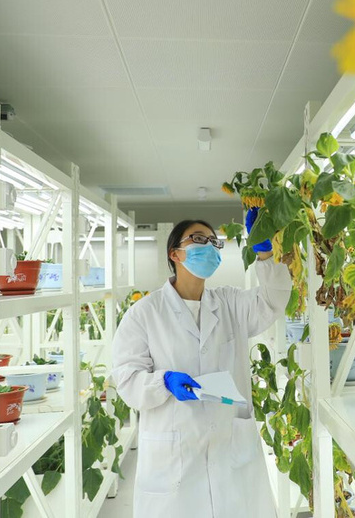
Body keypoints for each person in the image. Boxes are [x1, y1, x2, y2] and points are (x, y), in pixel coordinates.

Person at [112, 210, 291, 518]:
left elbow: (273, 301)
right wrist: (163, 381)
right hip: (174, 456)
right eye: (198, 239)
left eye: (213, 241)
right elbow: (127, 380)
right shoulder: (144, 313)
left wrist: (266, 256)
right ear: (175, 253)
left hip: (228, 444)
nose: (208, 246)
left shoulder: (230, 303)